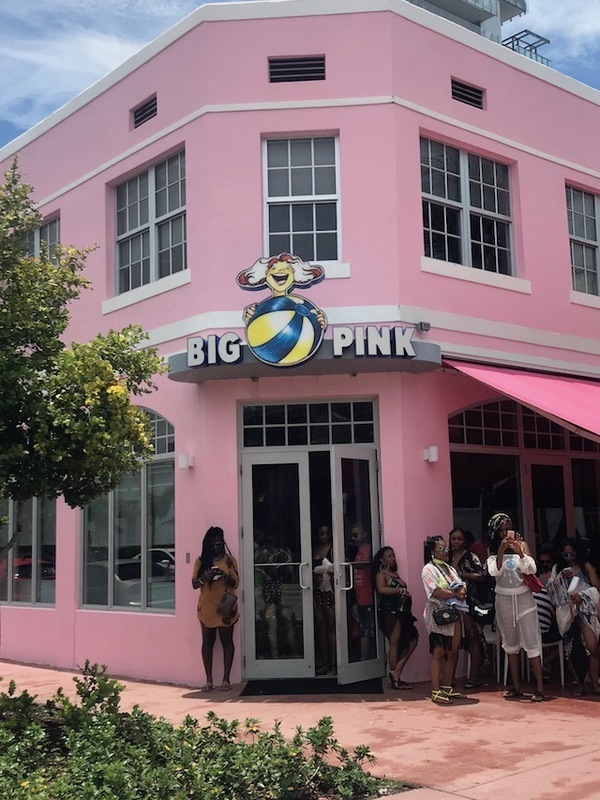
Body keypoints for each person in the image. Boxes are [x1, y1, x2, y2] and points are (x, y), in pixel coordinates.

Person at [486, 512, 545, 702]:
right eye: (501, 531)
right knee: (510, 645)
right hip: (503, 599)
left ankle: (540, 687)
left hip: (524, 599)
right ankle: (517, 687)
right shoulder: (493, 551)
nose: (505, 534)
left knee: (532, 643)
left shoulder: (523, 545)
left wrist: (519, 551)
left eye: (507, 529)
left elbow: (531, 569)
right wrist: (502, 550)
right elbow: (495, 571)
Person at [546, 537, 600, 696]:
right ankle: (580, 683)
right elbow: (551, 590)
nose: (570, 558)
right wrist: (560, 577)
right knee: (572, 649)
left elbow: (597, 588)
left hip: (585, 610)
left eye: (572, 554)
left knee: (593, 647)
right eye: (566, 555)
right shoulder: (557, 568)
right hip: (566, 611)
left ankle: (595, 683)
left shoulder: (586, 566)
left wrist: (582, 595)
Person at [191, 526, 239, 692]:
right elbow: (194, 584)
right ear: (208, 545)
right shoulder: (201, 561)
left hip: (225, 605)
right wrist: (206, 577)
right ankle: (209, 680)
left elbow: (236, 583)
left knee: (227, 641)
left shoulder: (229, 561)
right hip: (207, 607)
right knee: (207, 642)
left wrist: (224, 577)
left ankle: (226, 679)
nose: (217, 547)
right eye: (214, 544)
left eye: (219, 544)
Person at [422, 535, 467, 704]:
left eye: (446, 548)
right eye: (442, 548)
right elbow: (434, 591)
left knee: (452, 651)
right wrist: (456, 593)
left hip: (454, 613)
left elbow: (460, 583)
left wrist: (462, 590)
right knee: (438, 652)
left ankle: (448, 687)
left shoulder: (450, 568)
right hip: (438, 614)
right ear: (433, 551)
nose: (446, 551)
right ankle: (435, 690)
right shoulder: (428, 569)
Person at [373, 546, 419, 689]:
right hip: (389, 611)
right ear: (381, 559)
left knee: (412, 640)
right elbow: (382, 589)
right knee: (395, 643)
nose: (393, 558)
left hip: (402, 612)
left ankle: (396, 672)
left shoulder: (394, 573)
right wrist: (400, 590)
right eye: (389, 556)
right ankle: (395, 678)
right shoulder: (381, 574)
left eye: (393, 556)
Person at [448, 527, 486, 689]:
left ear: (465, 541)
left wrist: (461, 574)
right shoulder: (446, 557)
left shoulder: (471, 556)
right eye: (454, 539)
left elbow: (481, 576)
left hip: (468, 601)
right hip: (450, 601)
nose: (456, 542)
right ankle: (450, 678)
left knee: (472, 638)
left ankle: (474, 677)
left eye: (459, 539)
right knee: (451, 640)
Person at [312, 523, 336, 675]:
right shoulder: (313, 548)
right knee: (320, 626)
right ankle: (324, 661)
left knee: (331, 626)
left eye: (327, 533)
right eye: (322, 533)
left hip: (330, 591)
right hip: (317, 591)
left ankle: (334, 662)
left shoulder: (334, 548)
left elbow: (340, 568)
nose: (325, 536)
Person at [350, 523, 375, 660]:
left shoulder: (368, 549)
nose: (353, 538)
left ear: (364, 535)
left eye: (356, 535)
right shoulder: (358, 549)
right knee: (361, 627)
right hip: (358, 594)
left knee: (366, 629)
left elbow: (366, 564)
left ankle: (364, 660)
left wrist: (348, 564)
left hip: (367, 595)